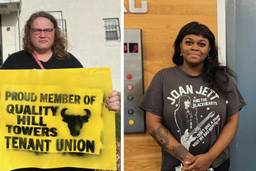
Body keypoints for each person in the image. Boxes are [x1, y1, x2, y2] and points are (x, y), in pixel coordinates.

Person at [2, 11, 120, 171]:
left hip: (65, 156)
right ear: (29, 33)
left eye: (47, 30)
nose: (42, 35)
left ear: (55, 33)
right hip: (27, 155)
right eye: (37, 30)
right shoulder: (13, 62)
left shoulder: (69, 61)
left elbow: (89, 98)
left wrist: (109, 101)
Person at [140, 21, 246, 171]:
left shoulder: (223, 80)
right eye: (189, 42)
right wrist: (188, 159)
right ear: (179, 47)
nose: (195, 47)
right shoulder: (163, 78)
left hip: (217, 164)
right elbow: (153, 125)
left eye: (202, 44)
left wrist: (209, 158)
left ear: (209, 50)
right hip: (176, 165)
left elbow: (232, 121)